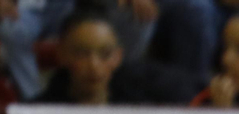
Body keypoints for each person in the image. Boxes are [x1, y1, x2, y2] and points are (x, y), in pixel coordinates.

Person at [34, 3, 193, 104]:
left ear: (118, 56)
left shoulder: (144, 94)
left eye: (105, 54)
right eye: (82, 54)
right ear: (62, 54)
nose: (94, 66)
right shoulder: (38, 113)